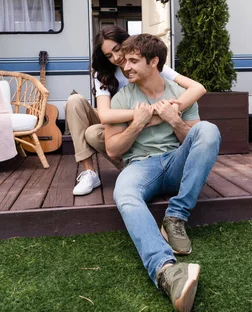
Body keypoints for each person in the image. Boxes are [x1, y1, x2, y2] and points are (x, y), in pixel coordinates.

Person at [105, 34, 221, 312]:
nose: (126, 67)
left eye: (134, 61)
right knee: (125, 193)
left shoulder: (179, 95)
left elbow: (195, 142)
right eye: (125, 61)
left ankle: (176, 216)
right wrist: (137, 124)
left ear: (154, 61)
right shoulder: (122, 98)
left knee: (208, 129)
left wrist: (175, 121)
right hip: (140, 166)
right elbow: (112, 150)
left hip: (175, 161)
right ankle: (167, 271)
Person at [65, 26, 206, 196]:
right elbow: (104, 115)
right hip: (119, 121)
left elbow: (198, 88)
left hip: (144, 128)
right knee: (75, 103)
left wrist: (169, 111)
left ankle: (134, 167)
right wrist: (148, 113)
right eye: (109, 55)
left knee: (94, 133)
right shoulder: (103, 74)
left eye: (117, 49)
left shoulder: (148, 63)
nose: (116, 58)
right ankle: (90, 172)